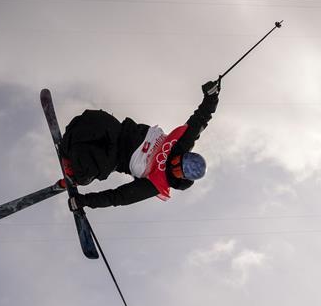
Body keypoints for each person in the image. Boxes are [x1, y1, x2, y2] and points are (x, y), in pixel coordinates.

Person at [62, 79, 220, 211]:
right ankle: (67, 150)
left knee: (95, 161)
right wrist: (212, 97)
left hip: (115, 157)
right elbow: (200, 119)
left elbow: (120, 197)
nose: (173, 164)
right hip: (120, 131)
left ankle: (78, 174)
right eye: (178, 160)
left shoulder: (157, 183)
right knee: (95, 120)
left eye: (178, 170)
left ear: (182, 177)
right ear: (184, 154)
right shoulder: (181, 143)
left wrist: (84, 201)